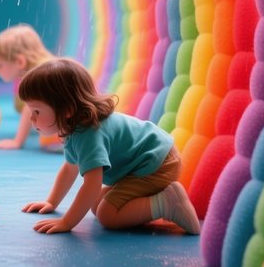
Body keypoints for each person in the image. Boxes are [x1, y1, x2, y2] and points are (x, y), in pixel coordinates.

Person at [17, 57, 200, 235]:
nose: (31, 118)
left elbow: (92, 184)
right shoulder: (75, 127)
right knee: (97, 204)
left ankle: (167, 203)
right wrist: (52, 202)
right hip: (149, 161)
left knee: (107, 215)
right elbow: (70, 168)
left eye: (36, 111)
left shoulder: (89, 134)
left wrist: (67, 222)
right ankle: (149, 206)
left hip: (156, 165)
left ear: (67, 110)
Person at [0, 25, 61, 151]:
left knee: (49, 142)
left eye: (0, 64)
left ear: (20, 62)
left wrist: (17, 141)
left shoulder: (39, 74)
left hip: (67, 133)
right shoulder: (33, 71)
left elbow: (30, 107)